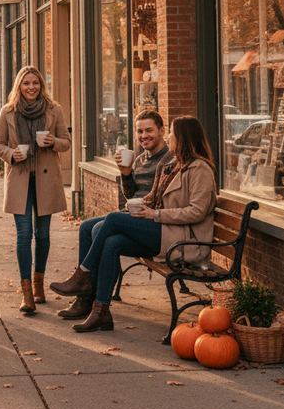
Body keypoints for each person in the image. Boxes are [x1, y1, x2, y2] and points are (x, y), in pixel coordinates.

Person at [51, 116, 217, 333]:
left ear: (184, 138)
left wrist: (154, 214)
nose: (169, 138)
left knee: (111, 220)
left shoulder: (200, 169)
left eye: (172, 134)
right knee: (112, 242)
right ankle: (100, 311)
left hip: (184, 241)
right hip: (166, 231)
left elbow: (197, 211)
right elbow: (153, 197)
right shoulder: (175, 166)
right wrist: (139, 205)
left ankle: (83, 276)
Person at [56, 109, 172, 321]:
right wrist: (125, 174)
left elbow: (167, 200)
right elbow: (131, 195)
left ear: (162, 131)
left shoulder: (170, 161)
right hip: (134, 219)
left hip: (155, 225)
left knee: (105, 227)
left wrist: (147, 210)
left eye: (149, 130)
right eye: (140, 131)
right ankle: (87, 300)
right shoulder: (139, 159)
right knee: (87, 228)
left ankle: (83, 277)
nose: (144, 136)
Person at [0, 65, 70, 315]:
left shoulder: (54, 109)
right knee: (24, 235)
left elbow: (66, 142)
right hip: (20, 179)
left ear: (41, 86)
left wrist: (53, 141)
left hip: (46, 180)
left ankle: (39, 284)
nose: (31, 87)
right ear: (19, 86)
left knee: (43, 234)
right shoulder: (8, 111)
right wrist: (11, 154)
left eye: (35, 83)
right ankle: (27, 292)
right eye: (26, 83)